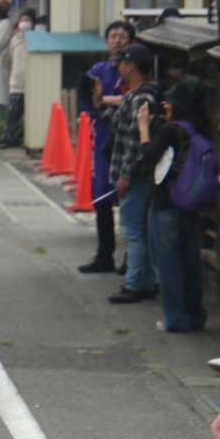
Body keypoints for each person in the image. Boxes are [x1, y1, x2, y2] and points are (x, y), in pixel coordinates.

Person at [136, 78, 209, 332]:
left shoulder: (171, 131)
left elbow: (148, 157)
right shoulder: (200, 127)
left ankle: (176, 319)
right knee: (189, 263)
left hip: (166, 204)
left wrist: (143, 127)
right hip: (190, 203)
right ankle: (195, 316)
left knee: (168, 265)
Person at [93, 42, 161, 304]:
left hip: (136, 176)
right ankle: (143, 281)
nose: (117, 66)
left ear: (131, 65)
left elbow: (133, 141)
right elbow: (118, 125)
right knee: (139, 230)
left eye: (121, 62)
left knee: (133, 230)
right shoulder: (137, 95)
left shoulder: (141, 98)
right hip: (139, 175)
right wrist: (99, 102)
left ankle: (134, 284)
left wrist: (125, 175)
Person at [77, 20, 133, 274]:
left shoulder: (133, 71)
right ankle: (104, 255)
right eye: (113, 36)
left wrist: (103, 100)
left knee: (130, 200)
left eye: (123, 36)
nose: (118, 40)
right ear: (106, 41)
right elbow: (87, 101)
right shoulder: (97, 69)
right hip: (102, 142)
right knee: (101, 199)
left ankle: (132, 259)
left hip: (128, 141)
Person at [0, 8, 36, 149]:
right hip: (16, 83)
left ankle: (28, 140)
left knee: (31, 116)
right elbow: (12, 58)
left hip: (32, 85)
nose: (24, 23)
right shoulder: (15, 39)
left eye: (28, 20)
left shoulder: (36, 38)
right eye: (22, 20)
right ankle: (6, 139)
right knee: (12, 114)